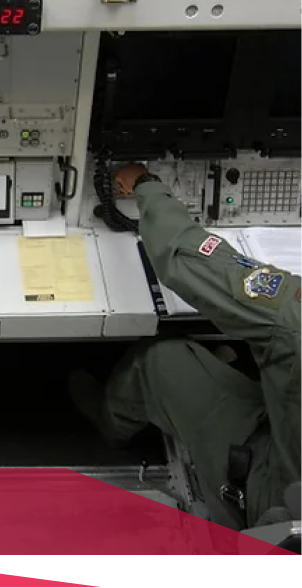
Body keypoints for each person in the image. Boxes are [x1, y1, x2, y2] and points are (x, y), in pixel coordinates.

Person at [69, 163, 302, 530]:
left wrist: (146, 185)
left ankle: (109, 425)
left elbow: (190, 261)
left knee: (161, 359)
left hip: (278, 495)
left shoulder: (294, 319)